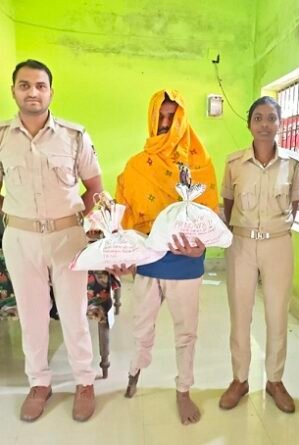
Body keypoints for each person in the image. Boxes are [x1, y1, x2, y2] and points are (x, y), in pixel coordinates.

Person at [0, 59, 103, 422]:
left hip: (66, 237)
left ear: (50, 92)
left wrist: (82, 223)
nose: (33, 92)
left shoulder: (74, 136)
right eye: (25, 85)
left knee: (74, 313)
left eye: (40, 86)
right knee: (31, 316)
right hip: (20, 238)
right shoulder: (2, 137)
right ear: (14, 91)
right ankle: (39, 383)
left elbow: (94, 187)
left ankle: (84, 381)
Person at [111, 89, 218, 425]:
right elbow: (123, 215)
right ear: (152, 117)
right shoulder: (135, 166)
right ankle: (134, 371)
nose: (166, 123)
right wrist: (123, 253)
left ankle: (183, 390)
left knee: (186, 333)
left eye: (173, 116)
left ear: (182, 120)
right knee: (142, 329)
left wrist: (201, 245)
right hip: (147, 263)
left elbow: (209, 216)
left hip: (185, 264)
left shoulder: (199, 163)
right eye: (161, 115)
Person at [217, 97, 299, 413]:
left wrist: (275, 229)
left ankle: (275, 381)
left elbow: (294, 202)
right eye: (258, 118)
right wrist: (240, 232)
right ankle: (239, 379)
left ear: (280, 123)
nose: (265, 124)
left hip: (278, 244)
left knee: (277, 314)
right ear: (249, 124)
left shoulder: (292, 163)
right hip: (241, 244)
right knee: (240, 313)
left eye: (271, 118)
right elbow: (228, 204)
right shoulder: (234, 163)